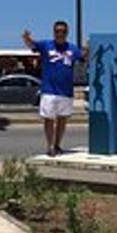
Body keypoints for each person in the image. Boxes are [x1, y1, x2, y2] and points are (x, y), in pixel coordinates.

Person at [22, 21, 87, 157]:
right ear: (54, 32)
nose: (60, 34)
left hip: (66, 91)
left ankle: (57, 144)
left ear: (67, 32)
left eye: (63, 31)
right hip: (49, 90)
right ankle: (50, 146)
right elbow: (32, 44)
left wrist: (89, 48)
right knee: (49, 119)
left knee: (63, 119)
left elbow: (83, 57)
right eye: (57, 31)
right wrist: (26, 38)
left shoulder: (72, 48)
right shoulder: (47, 45)